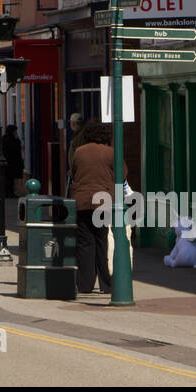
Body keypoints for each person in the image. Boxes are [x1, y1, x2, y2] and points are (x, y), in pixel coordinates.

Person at [69, 119, 115, 294]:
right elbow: (123, 174)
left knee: (84, 244)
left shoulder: (79, 152)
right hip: (103, 202)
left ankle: (85, 284)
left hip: (82, 201)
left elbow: (73, 173)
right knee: (102, 242)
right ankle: (106, 284)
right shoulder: (110, 153)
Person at [2, 125, 24, 198]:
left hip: (11, 163)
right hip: (11, 163)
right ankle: (9, 193)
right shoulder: (9, 140)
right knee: (9, 179)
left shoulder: (5, 139)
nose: (16, 133)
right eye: (14, 131)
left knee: (10, 179)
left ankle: (9, 193)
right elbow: (15, 150)